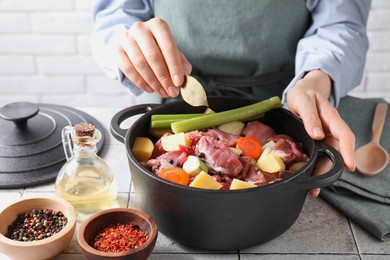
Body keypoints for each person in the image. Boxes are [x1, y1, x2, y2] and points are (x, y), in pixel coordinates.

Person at [90, 0, 371, 196]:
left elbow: (342, 23)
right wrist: (123, 42)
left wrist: (316, 79)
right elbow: (113, 17)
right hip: (173, 97)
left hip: (283, 103)